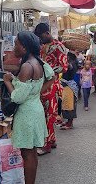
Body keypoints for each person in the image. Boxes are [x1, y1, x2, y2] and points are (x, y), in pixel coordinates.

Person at [2, 31, 54, 184]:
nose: (14, 47)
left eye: (16, 44)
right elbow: (52, 78)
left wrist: (7, 82)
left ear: (24, 47)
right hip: (35, 109)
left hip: (27, 114)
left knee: (27, 154)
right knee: (31, 153)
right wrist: (35, 93)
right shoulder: (39, 62)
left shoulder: (26, 66)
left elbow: (17, 97)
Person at [34, 23, 68, 155]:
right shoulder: (41, 46)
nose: (39, 38)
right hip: (42, 85)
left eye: (40, 35)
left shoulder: (59, 47)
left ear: (47, 33)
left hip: (51, 85)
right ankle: (52, 140)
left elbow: (63, 67)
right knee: (44, 114)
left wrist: (48, 72)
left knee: (48, 116)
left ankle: (46, 145)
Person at [60, 52, 79, 130]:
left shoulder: (71, 65)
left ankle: (70, 124)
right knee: (66, 104)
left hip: (69, 87)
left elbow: (67, 66)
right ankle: (68, 122)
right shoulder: (73, 64)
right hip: (67, 86)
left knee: (69, 106)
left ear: (70, 57)